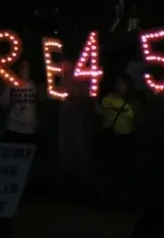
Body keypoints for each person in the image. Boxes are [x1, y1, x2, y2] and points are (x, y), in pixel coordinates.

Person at [96, 73, 141, 206]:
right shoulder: (110, 97)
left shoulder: (135, 101)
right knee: (110, 169)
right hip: (111, 137)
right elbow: (99, 111)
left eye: (122, 82)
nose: (119, 85)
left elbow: (139, 119)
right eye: (117, 82)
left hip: (126, 138)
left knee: (125, 171)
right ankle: (110, 200)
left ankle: (125, 201)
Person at [58, 61, 95, 198]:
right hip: (64, 120)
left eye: (67, 63)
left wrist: (76, 97)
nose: (65, 66)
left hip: (78, 121)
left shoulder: (82, 77)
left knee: (80, 152)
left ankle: (82, 189)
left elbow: (89, 97)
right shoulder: (62, 77)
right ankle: (66, 187)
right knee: (65, 152)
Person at [0, 59, 40, 143]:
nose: (23, 70)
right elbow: (4, 103)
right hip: (13, 127)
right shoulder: (11, 84)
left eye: (26, 67)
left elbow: (40, 103)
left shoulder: (34, 84)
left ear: (30, 70)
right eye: (21, 67)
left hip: (30, 128)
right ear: (18, 69)